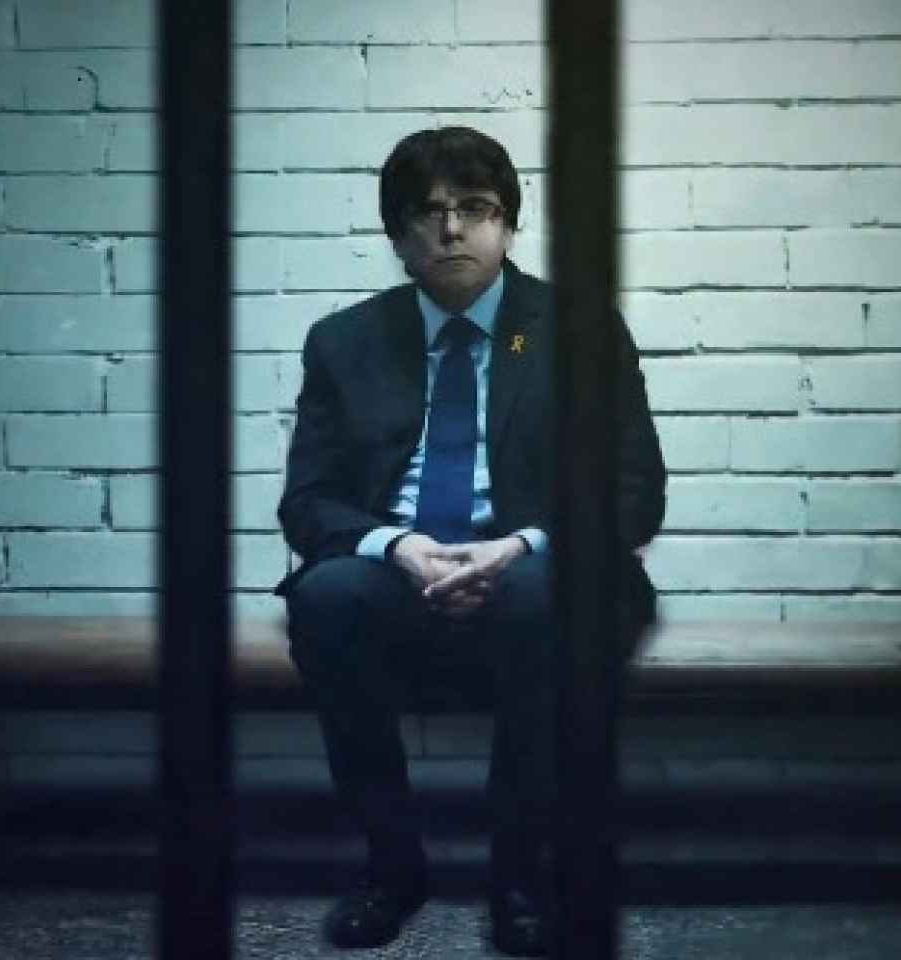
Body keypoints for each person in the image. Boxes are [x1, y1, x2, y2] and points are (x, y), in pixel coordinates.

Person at [274, 125, 666, 956]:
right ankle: (391, 868)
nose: (451, 230)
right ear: (397, 236)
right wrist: (399, 547)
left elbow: (635, 492)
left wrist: (520, 544)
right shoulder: (344, 342)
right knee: (325, 596)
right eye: (428, 212)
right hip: (398, 570)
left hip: (538, 571)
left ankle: (520, 875)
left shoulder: (577, 329)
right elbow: (307, 503)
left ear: (509, 223)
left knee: (539, 596)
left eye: (476, 208)